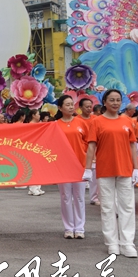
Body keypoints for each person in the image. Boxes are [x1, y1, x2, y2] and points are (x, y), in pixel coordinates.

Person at [83, 89, 138, 257]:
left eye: (118, 100)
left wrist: (136, 168)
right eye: (112, 100)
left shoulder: (126, 121)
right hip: (105, 168)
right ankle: (112, 243)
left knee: (127, 207)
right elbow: (91, 146)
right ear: (105, 102)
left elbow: (132, 145)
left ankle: (127, 243)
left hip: (125, 168)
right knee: (108, 208)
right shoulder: (97, 122)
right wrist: (87, 168)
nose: (115, 103)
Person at [55, 95, 88, 239]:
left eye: (71, 104)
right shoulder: (55, 125)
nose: (70, 107)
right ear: (60, 108)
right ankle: (68, 228)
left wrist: (87, 159)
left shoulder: (81, 122)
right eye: (67, 104)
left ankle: (79, 228)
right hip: (63, 166)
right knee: (65, 197)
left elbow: (88, 142)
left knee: (79, 197)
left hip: (79, 164)